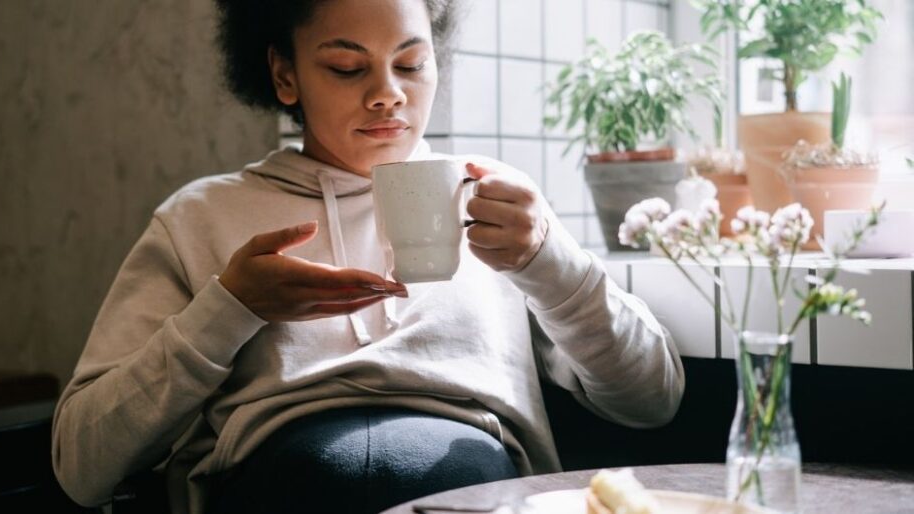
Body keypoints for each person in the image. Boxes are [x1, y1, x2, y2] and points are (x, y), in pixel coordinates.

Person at [51, 1, 685, 513]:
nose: (388, 95)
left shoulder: (498, 204)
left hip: (478, 487)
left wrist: (550, 262)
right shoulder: (201, 217)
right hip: (275, 485)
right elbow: (83, 467)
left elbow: (652, 400)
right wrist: (230, 309)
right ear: (284, 75)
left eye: (410, 65)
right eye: (348, 69)